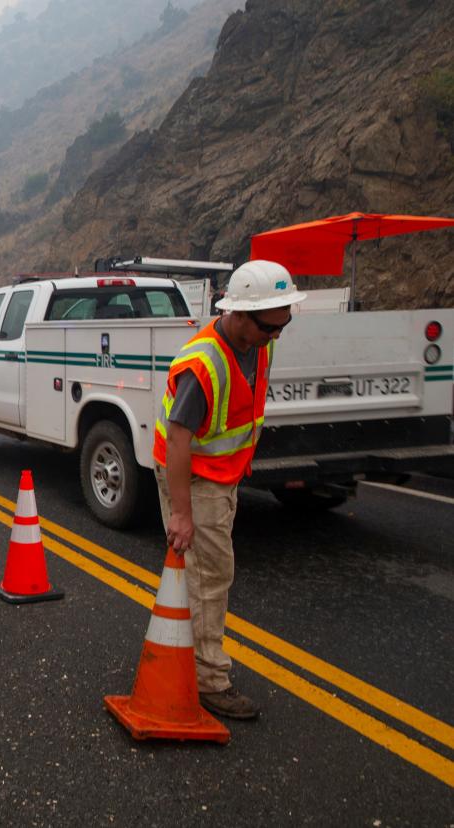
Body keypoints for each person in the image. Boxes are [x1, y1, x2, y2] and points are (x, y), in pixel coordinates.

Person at [153, 260, 306, 719]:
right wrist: (181, 513)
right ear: (239, 315)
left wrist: (243, 460)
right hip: (194, 479)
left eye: (284, 324)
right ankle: (208, 678)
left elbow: (245, 406)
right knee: (208, 576)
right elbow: (179, 440)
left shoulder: (259, 344)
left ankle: (187, 655)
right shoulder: (203, 363)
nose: (276, 335)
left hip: (222, 475)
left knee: (205, 573)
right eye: (269, 327)